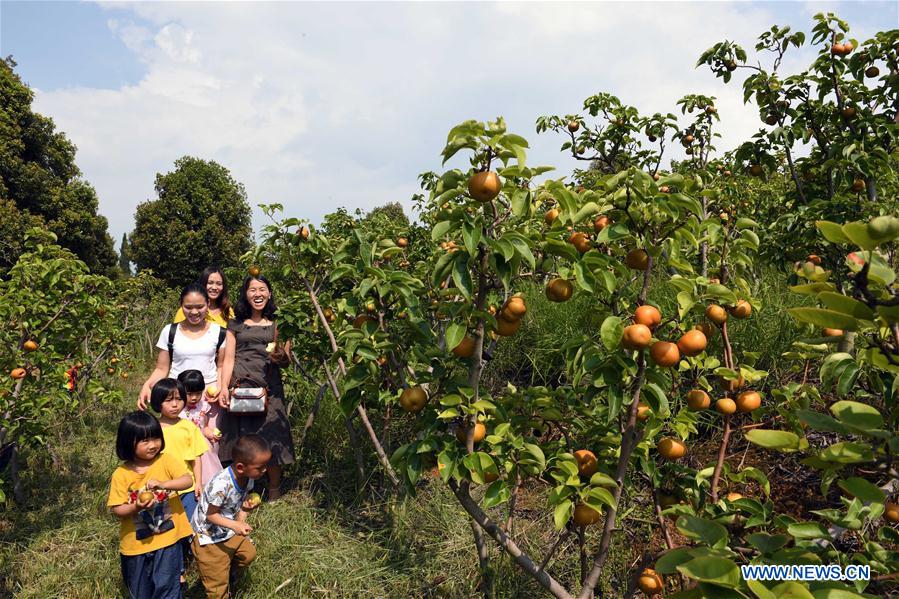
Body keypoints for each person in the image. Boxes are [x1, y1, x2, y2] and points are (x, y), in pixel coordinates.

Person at [218, 274, 295, 500]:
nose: (257, 294)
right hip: (240, 387)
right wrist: (224, 387)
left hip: (269, 388)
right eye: (252, 290)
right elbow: (228, 358)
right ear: (245, 294)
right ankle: (239, 490)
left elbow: (286, 360)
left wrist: (279, 355)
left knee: (272, 435)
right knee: (239, 437)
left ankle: (273, 488)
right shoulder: (235, 325)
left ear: (269, 293)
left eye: (262, 289)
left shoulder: (279, 324)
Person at [107, 411, 194, 599]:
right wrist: (136, 507)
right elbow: (117, 509)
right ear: (128, 443)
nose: (153, 445)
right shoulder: (121, 475)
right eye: (145, 441)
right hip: (136, 546)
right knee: (140, 592)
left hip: (168, 540)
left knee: (168, 587)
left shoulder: (166, 460)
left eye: (156, 438)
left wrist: (165, 484)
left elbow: (187, 480)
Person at [191, 434, 270, 599]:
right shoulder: (222, 484)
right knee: (217, 589)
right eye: (260, 467)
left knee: (247, 554)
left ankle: (226, 573)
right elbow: (211, 515)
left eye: (265, 466)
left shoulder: (247, 478)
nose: (264, 471)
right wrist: (236, 526)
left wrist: (245, 510)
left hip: (226, 528)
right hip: (208, 536)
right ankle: (218, 579)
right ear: (241, 467)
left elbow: (238, 511)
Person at [138, 283, 227, 410]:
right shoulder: (170, 331)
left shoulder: (220, 332)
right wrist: (147, 385)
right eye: (188, 307)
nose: (194, 312)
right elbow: (161, 369)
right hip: (177, 398)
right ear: (181, 305)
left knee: (208, 430)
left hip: (208, 396)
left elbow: (221, 367)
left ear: (208, 303)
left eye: (200, 307)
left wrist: (220, 388)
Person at [150, 378, 210, 521]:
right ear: (158, 402)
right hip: (161, 487)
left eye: (179, 399)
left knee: (192, 523)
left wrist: (198, 483)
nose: (175, 404)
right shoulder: (153, 429)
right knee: (167, 526)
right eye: (169, 400)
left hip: (187, 488)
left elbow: (196, 457)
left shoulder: (189, 427)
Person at [177, 369, 224, 487]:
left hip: (202, 447)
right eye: (189, 394)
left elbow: (204, 427)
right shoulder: (177, 409)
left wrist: (212, 434)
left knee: (208, 473)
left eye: (198, 393)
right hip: (184, 445)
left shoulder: (203, 406)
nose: (194, 398)